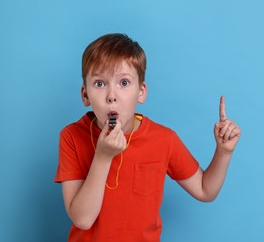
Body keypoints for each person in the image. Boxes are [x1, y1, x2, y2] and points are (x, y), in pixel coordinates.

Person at [54, 33, 241, 242]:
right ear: (85, 95)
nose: (111, 95)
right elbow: (83, 219)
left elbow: (205, 190)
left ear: (141, 92)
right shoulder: (71, 137)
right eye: (99, 83)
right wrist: (103, 156)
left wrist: (223, 152)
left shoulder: (164, 139)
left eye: (124, 82)